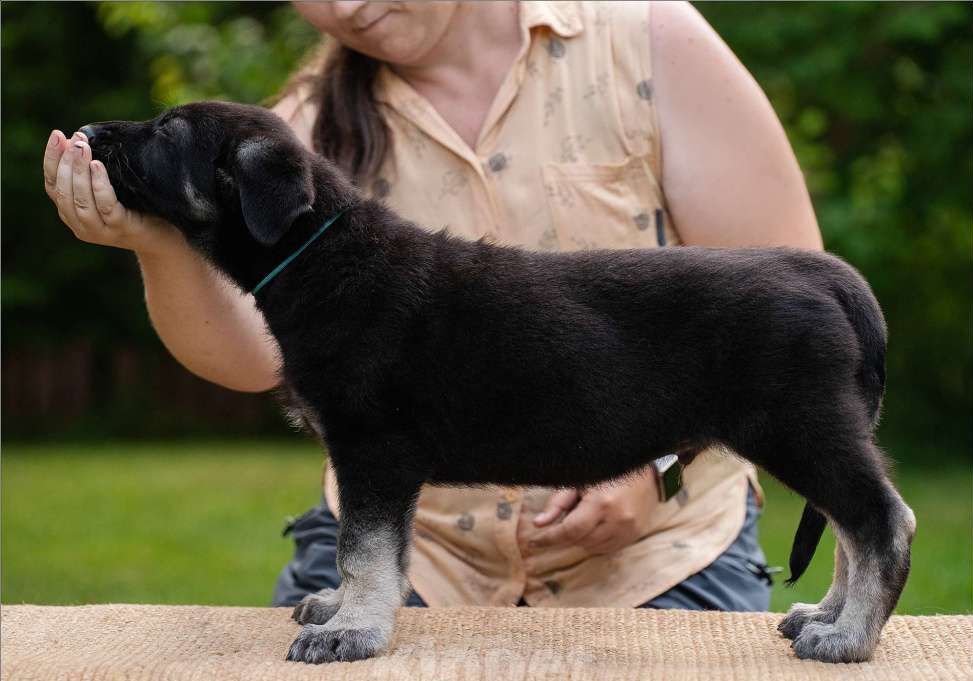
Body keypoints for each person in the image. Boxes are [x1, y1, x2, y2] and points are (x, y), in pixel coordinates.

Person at [43, 1, 823, 613]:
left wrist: (657, 467)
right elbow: (248, 359)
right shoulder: (302, 128)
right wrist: (161, 244)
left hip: (659, 551)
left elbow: (780, 322)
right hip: (416, 552)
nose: (345, 8)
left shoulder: (647, 42)